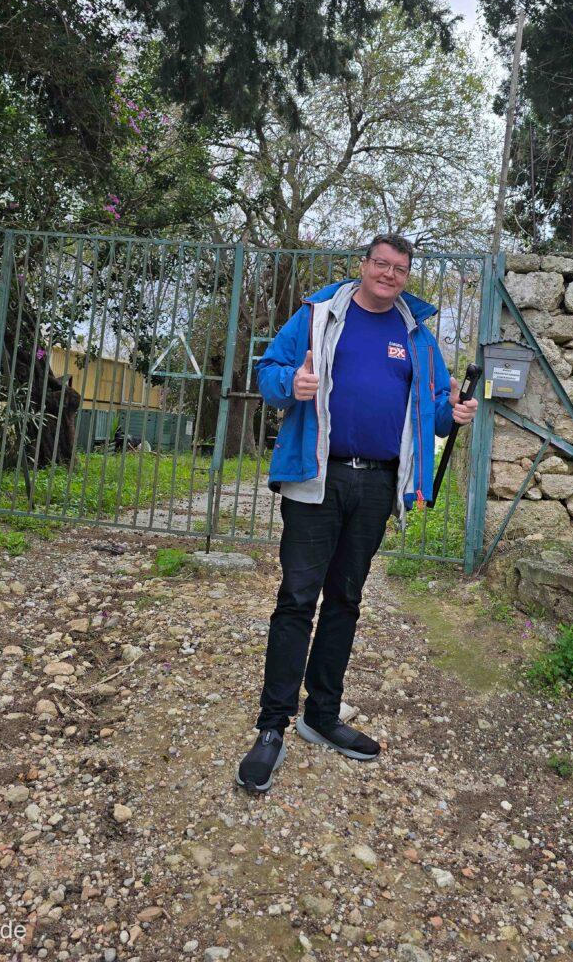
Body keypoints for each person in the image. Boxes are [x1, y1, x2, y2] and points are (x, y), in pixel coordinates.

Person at [236, 233, 479, 793]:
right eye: (381, 264)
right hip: (316, 476)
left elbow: (434, 411)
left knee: (345, 599)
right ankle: (272, 727)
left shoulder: (416, 334)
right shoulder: (318, 314)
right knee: (297, 599)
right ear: (363, 265)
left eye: (399, 269)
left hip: (377, 484)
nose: (389, 275)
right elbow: (268, 372)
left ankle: (322, 715)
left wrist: (454, 413)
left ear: (406, 276)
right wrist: (290, 383)